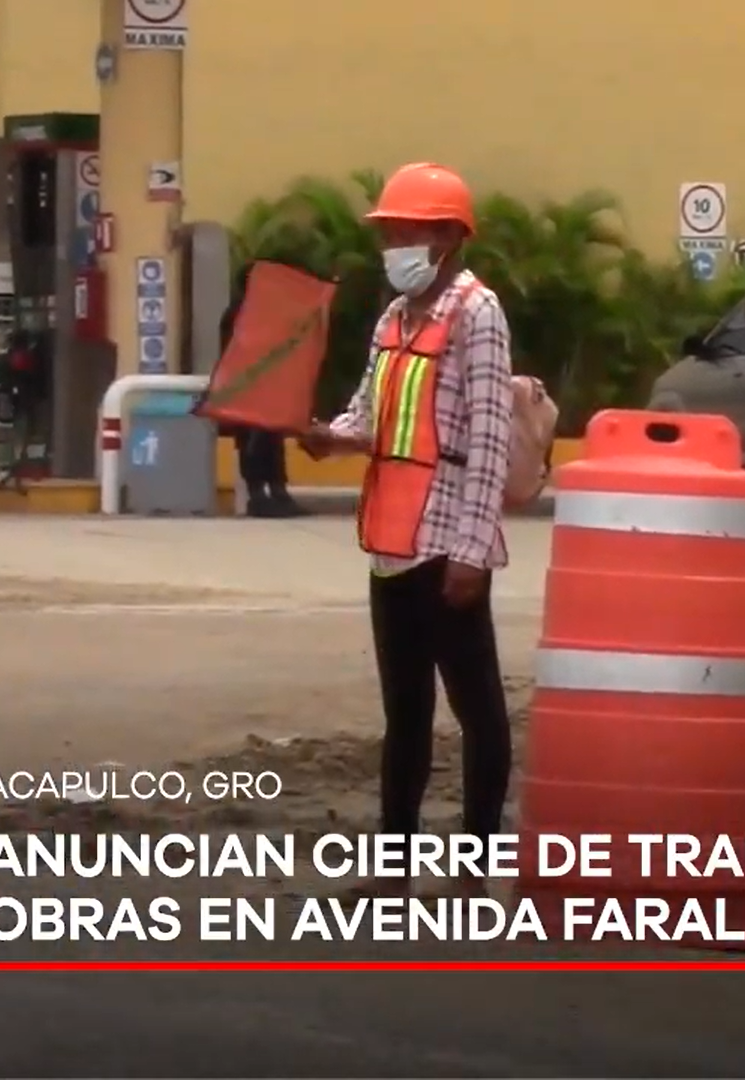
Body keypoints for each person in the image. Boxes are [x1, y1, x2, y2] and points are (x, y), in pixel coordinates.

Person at [300, 162, 515, 894]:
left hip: (447, 540)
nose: (393, 243)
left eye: (406, 231)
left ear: (450, 237)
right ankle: (394, 870)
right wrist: (329, 435)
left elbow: (488, 435)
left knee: (478, 711)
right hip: (392, 539)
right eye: (388, 232)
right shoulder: (393, 319)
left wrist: (472, 548)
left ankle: (474, 871)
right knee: (406, 714)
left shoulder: (477, 313)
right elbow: (371, 414)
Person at [218, 270, 303, 518]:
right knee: (251, 443)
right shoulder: (237, 313)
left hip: (267, 386)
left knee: (272, 440)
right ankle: (258, 496)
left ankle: (278, 492)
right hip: (245, 388)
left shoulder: (265, 313)